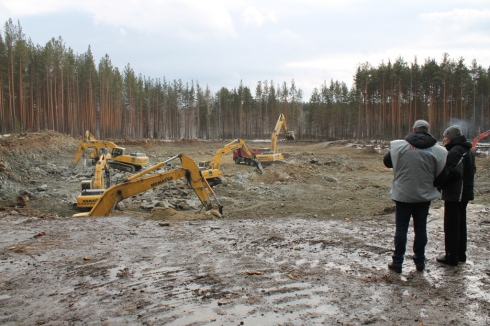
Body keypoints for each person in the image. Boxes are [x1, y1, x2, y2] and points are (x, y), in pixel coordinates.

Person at [383, 120, 447, 273]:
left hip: (403, 195)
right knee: (421, 228)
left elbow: (387, 162)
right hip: (424, 196)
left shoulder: (400, 146)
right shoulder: (437, 150)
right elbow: (442, 175)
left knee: (401, 230)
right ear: (427, 130)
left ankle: (397, 262)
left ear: (414, 129)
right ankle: (420, 262)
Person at [434, 125, 476, 266]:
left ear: (451, 137)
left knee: (451, 226)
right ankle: (460, 254)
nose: (444, 139)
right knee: (460, 224)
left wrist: (440, 184)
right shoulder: (466, 150)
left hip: (456, 194)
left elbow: (453, 173)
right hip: (464, 193)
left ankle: (451, 257)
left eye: (445, 136)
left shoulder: (456, 151)